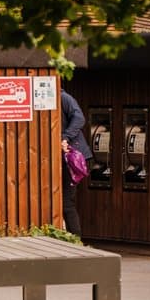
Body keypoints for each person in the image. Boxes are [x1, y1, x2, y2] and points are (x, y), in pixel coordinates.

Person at [59, 88, 89, 236]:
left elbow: (79, 118)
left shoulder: (64, 98)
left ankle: (76, 241)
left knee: (66, 202)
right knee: (65, 201)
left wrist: (65, 137)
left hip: (71, 158)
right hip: (62, 157)